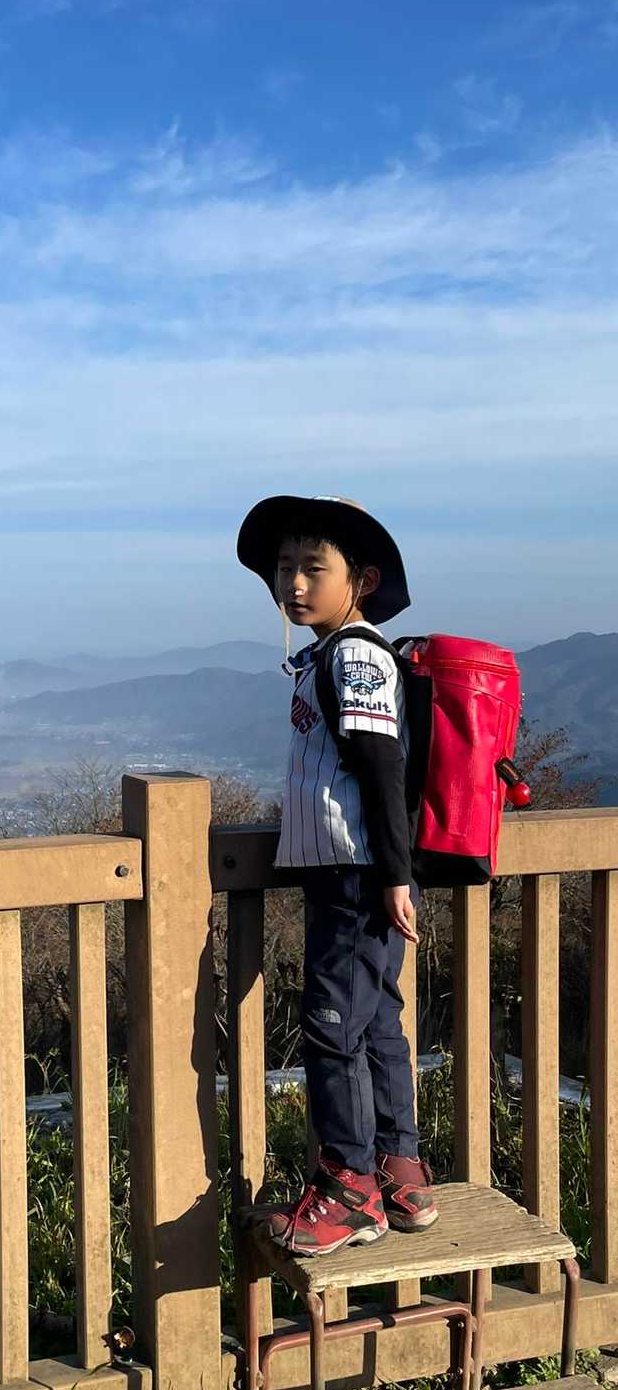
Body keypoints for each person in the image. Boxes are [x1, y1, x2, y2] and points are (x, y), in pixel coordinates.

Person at [235, 494, 437, 1255]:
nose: (293, 583)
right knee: (373, 1019)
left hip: (357, 871)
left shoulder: (355, 657)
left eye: (313, 568)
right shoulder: (329, 655)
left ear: (363, 580)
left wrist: (393, 876)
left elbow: (382, 767)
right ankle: (399, 1172)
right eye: (284, 567)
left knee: (331, 1028)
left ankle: (348, 1190)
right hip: (361, 870)